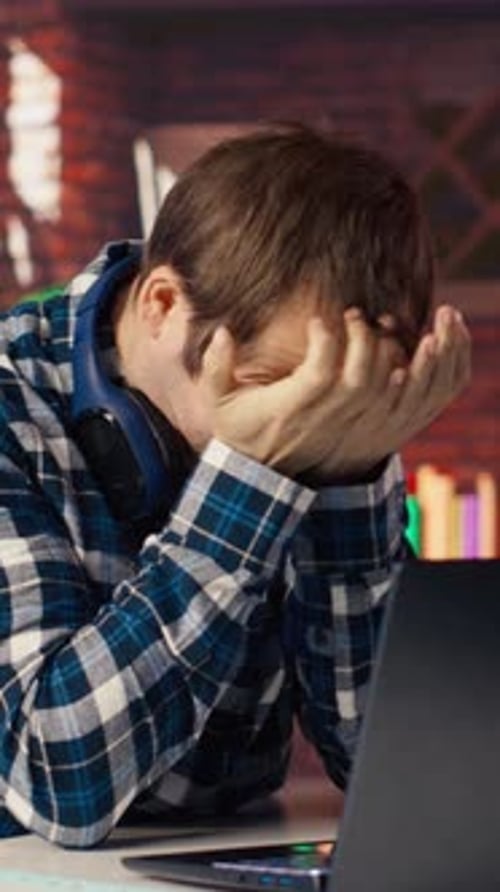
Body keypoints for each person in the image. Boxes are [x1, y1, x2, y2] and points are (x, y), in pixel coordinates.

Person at [0, 124, 469, 848]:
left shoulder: (326, 422)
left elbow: (386, 760)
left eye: (331, 402)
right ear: (160, 304)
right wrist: (247, 483)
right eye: (268, 387)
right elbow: (51, 780)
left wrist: (350, 471)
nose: (299, 419)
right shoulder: (11, 408)